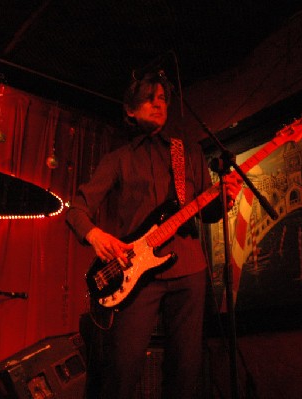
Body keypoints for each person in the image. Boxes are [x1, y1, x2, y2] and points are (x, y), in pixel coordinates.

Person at [66, 72, 241, 398]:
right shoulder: (117, 159)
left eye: (162, 98)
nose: (158, 104)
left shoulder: (187, 152)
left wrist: (225, 199)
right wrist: (95, 236)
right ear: (130, 110)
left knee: (186, 368)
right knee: (123, 366)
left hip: (189, 267)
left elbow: (207, 212)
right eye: (149, 98)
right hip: (136, 274)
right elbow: (76, 209)